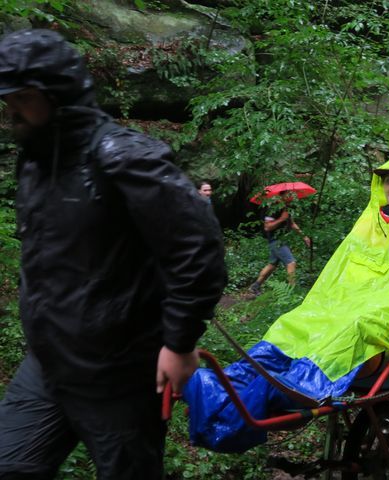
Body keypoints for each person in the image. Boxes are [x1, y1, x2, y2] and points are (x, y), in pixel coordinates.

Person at [0, 29, 227, 478]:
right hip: (48, 364)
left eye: (21, 97)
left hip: (120, 374)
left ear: (55, 95)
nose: (10, 111)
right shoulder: (36, 161)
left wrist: (179, 342)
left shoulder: (122, 157)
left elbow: (197, 244)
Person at [184, 154, 389, 452]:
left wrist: (376, 305)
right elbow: (342, 276)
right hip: (359, 307)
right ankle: (230, 384)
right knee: (297, 320)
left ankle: (282, 390)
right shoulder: (373, 222)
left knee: (354, 326)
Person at [249, 198, 311, 294]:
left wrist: (304, 237)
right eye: (289, 194)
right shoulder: (272, 209)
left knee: (272, 265)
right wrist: (281, 219)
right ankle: (292, 293)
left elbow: (292, 223)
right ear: (282, 196)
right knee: (291, 263)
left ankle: (255, 286)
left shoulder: (286, 208)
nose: (292, 196)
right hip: (276, 241)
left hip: (282, 240)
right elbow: (267, 227)